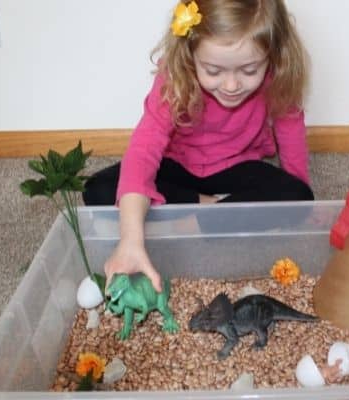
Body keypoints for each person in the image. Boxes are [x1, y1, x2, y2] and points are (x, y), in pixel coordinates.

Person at [83, 0, 314, 292]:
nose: (231, 85)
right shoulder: (175, 76)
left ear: (273, 54)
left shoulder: (278, 74)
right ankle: (210, 206)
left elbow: (290, 129)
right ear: (190, 54)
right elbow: (144, 148)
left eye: (249, 70)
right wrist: (130, 239)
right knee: (98, 189)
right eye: (214, 71)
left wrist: (304, 205)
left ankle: (188, 221)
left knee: (297, 194)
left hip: (237, 164)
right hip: (179, 164)